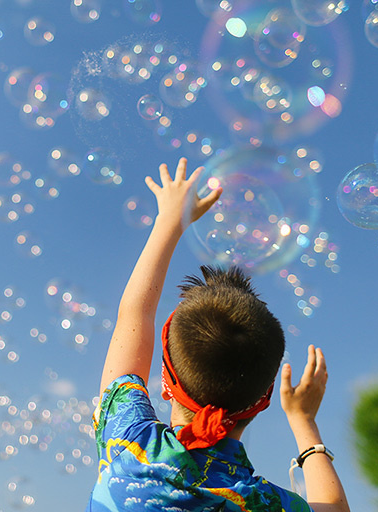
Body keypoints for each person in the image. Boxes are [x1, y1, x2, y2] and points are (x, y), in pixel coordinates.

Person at [87, 158, 350, 512]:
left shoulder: (128, 442)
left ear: (166, 379)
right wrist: (304, 422)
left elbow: (134, 316)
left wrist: (170, 220)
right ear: (263, 399)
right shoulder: (263, 504)